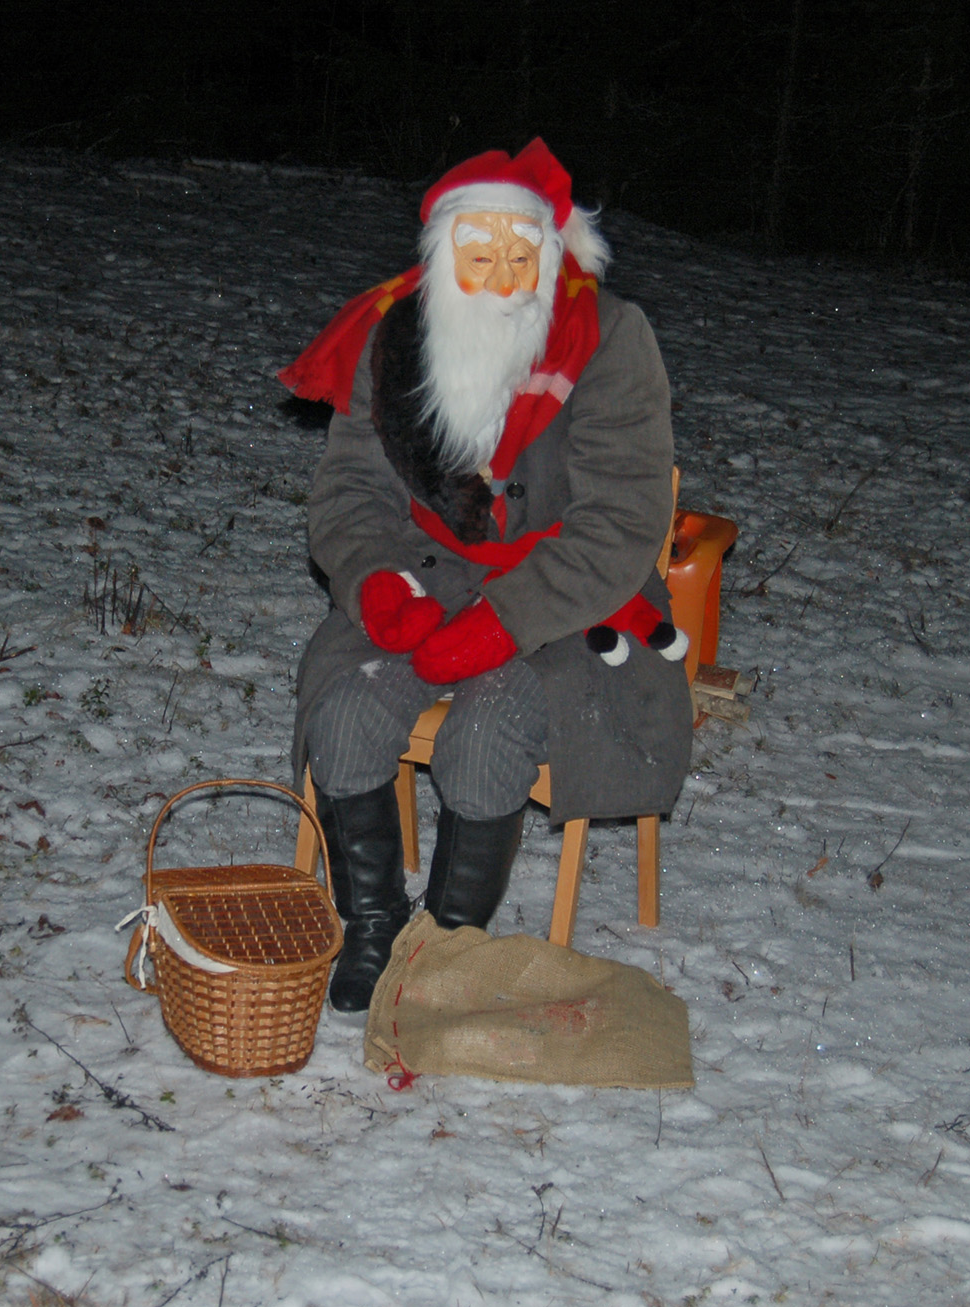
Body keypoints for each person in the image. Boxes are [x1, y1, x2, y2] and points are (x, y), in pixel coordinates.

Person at [281, 139, 692, 1014]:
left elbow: (621, 520)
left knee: (484, 734)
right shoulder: (394, 338)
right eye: (480, 256)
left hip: (567, 598)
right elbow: (349, 493)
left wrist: (507, 621)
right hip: (425, 579)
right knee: (347, 711)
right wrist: (378, 583)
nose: (504, 278)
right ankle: (374, 926)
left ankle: (447, 946)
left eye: (522, 254)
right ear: (442, 258)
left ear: (552, 252)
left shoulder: (612, 340)